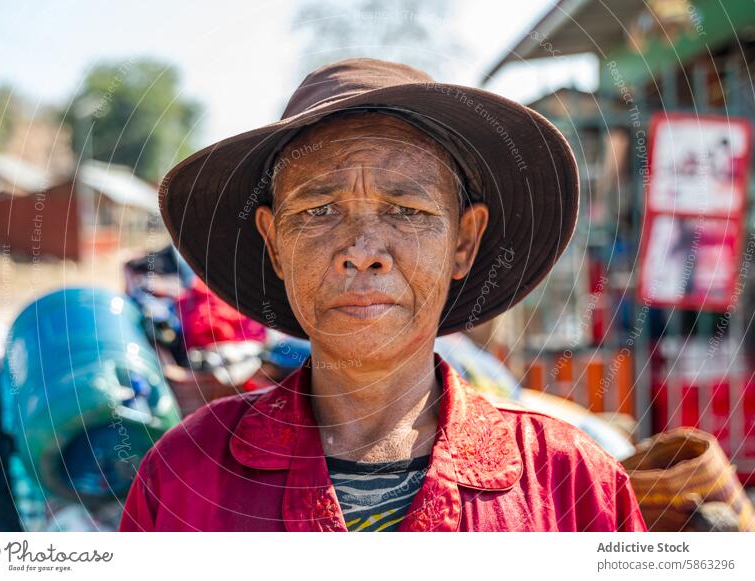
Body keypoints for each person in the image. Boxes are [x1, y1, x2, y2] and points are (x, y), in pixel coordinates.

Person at [119, 58, 646, 532]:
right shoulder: (183, 474)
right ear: (275, 243)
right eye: (318, 211)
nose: (363, 251)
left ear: (463, 242)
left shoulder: (570, 481)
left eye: (407, 211)